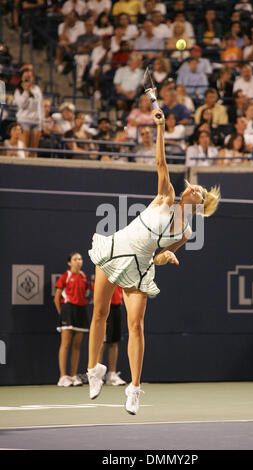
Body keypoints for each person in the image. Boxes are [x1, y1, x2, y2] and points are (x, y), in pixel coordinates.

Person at [87, 107, 220, 414]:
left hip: (139, 266)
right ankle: (94, 370)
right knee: (99, 313)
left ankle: (133, 389)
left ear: (198, 204)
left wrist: (164, 257)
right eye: (193, 188)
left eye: (198, 191)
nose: (193, 189)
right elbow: (160, 161)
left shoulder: (184, 233)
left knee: (136, 326)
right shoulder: (166, 196)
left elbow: (157, 256)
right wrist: (160, 127)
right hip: (116, 248)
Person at [54, 252, 90, 387]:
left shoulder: (84, 276)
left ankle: (73, 375)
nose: (78, 261)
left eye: (80, 259)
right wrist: (62, 313)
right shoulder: (65, 276)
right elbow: (57, 298)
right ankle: (63, 377)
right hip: (67, 311)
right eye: (75, 259)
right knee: (65, 344)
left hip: (81, 311)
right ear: (69, 263)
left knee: (77, 345)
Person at [97, 285, 126, 386]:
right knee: (102, 342)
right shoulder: (104, 272)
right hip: (105, 307)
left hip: (117, 307)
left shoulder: (121, 272)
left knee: (114, 342)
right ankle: (97, 376)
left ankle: (111, 374)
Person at [13, 69, 43, 158]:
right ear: (22, 78)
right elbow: (22, 105)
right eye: (26, 77)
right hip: (24, 121)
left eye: (29, 77)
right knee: (24, 150)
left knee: (34, 150)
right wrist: (26, 91)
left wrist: (42, 122)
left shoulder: (37, 89)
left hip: (36, 122)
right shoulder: (19, 90)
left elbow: (40, 106)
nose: (28, 79)